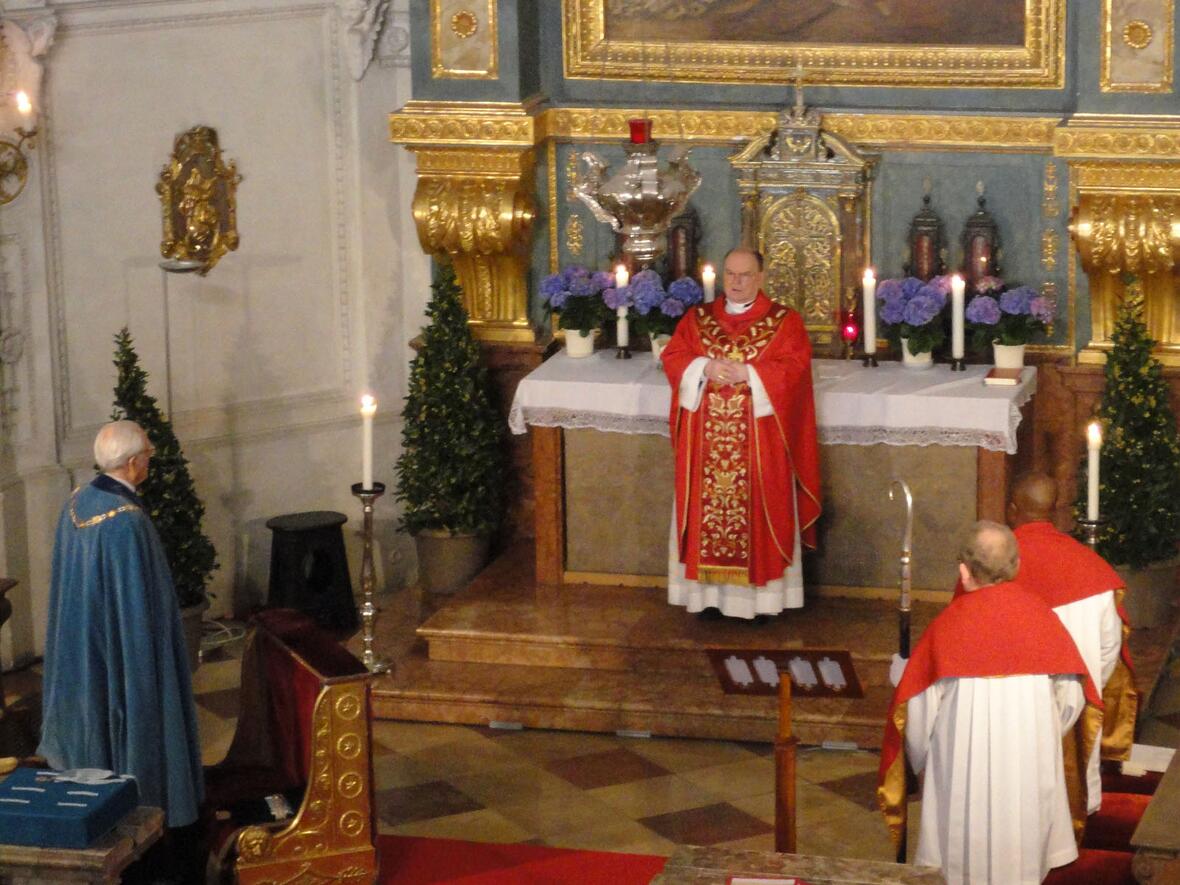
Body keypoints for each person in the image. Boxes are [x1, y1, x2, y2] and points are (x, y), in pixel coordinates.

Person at [878, 521, 1100, 885]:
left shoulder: (947, 628)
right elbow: (1071, 703)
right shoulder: (1044, 620)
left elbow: (918, 719)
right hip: (1030, 767)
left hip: (962, 773)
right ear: (1016, 566)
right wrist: (1040, 735)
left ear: (964, 572)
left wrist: (924, 760)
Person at [39, 421, 204, 842]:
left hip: (82, 639)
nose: (150, 460)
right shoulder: (126, 520)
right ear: (132, 463)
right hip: (125, 645)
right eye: (148, 454)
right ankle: (146, 802)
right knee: (128, 707)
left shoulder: (78, 500)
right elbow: (141, 607)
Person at [660, 246, 821, 619]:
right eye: (730, 274)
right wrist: (703, 367)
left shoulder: (785, 321)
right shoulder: (697, 318)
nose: (736, 282)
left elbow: (796, 369)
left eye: (745, 275)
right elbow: (673, 357)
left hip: (761, 446)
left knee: (761, 515)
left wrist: (751, 374)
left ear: (761, 278)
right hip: (705, 448)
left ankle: (762, 603)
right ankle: (706, 599)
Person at [1002, 471, 1137, 818]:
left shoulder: (994, 566)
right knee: (1068, 804)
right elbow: (1109, 649)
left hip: (1007, 719)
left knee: (1010, 805)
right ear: (1055, 509)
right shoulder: (1093, 568)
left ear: (1012, 509)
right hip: (1076, 709)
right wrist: (1083, 688)